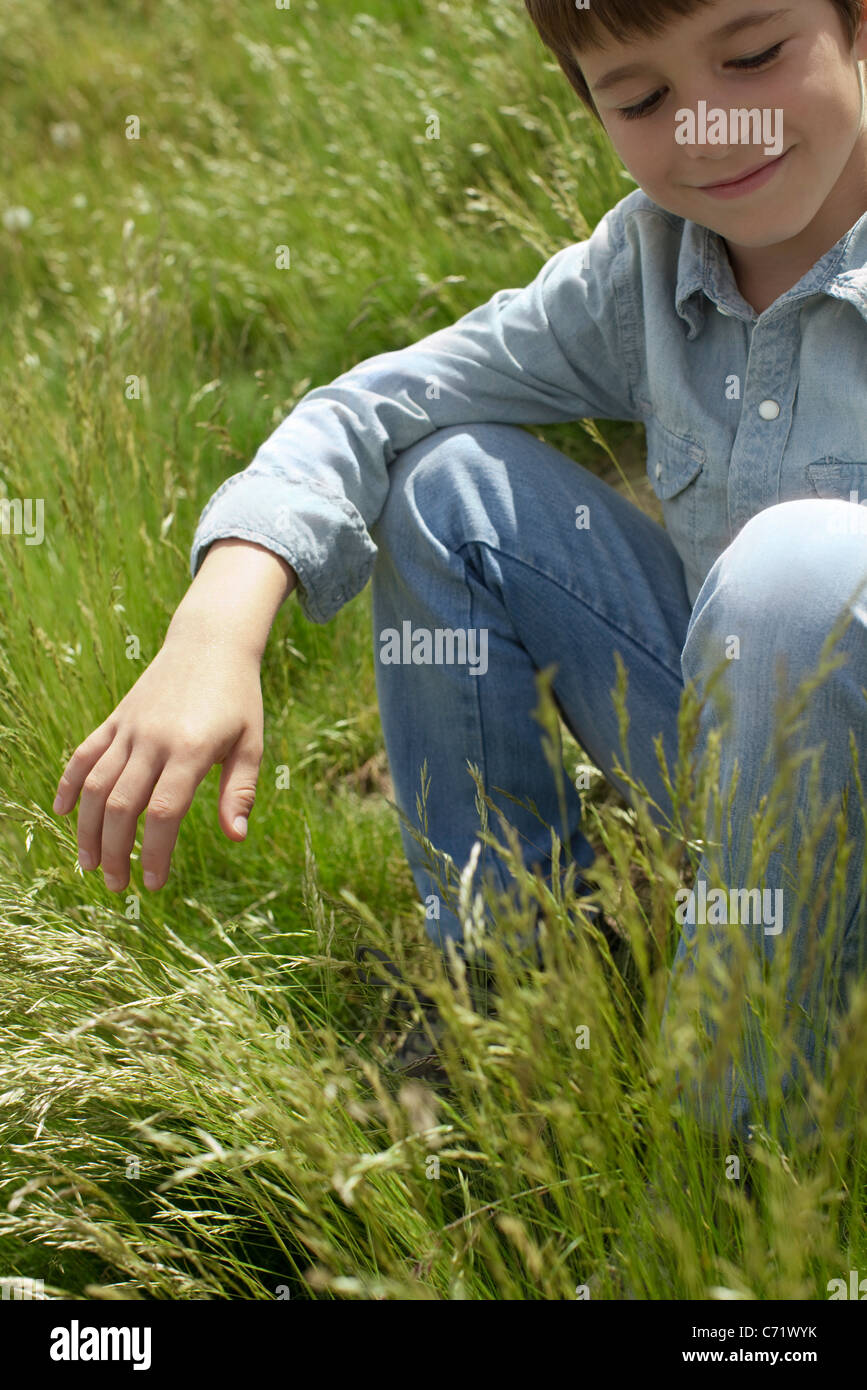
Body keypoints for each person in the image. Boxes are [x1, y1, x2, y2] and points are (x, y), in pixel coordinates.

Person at [53, 0, 867, 1131]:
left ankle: (743, 1133)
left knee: (798, 570)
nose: (714, 127)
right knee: (448, 485)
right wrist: (220, 618)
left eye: (754, 55)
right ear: (593, 108)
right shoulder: (646, 270)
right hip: (751, 787)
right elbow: (374, 403)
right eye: (644, 99)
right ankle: (512, 992)